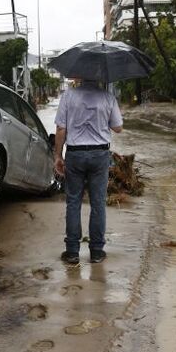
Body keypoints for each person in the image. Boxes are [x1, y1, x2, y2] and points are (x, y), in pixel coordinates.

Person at [53, 80, 123, 265]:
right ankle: (97, 252)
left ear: (80, 75)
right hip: (100, 155)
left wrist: (58, 156)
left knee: (73, 202)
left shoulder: (68, 96)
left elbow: (61, 129)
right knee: (98, 203)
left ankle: (72, 252)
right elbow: (118, 127)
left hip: (75, 154)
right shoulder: (108, 97)